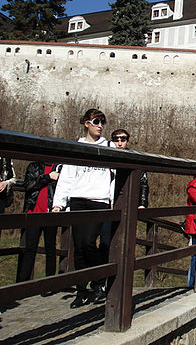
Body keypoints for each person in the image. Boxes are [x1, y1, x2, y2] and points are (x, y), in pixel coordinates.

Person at [52, 109, 115, 308]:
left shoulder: (109, 146)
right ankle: (81, 290)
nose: (100, 125)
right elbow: (67, 176)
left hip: (99, 200)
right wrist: (58, 202)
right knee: (78, 247)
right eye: (96, 121)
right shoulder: (76, 146)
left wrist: (111, 198)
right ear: (86, 123)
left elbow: (116, 176)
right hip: (78, 199)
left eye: (102, 122)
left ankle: (98, 281)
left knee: (88, 242)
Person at [96, 128, 149, 301]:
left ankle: (118, 285)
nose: (119, 142)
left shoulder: (133, 157)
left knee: (123, 246)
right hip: (106, 206)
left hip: (125, 209)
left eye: (123, 139)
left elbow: (143, 181)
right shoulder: (105, 156)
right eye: (116, 139)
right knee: (104, 244)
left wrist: (142, 203)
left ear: (128, 141)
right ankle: (100, 283)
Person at [17, 162, 60, 283]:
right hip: (33, 212)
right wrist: (47, 177)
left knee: (50, 248)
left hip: (51, 213)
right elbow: (28, 185)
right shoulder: (34, 166)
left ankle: (49, 282)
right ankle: (22, 282)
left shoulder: (59, 167)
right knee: (30, 247)